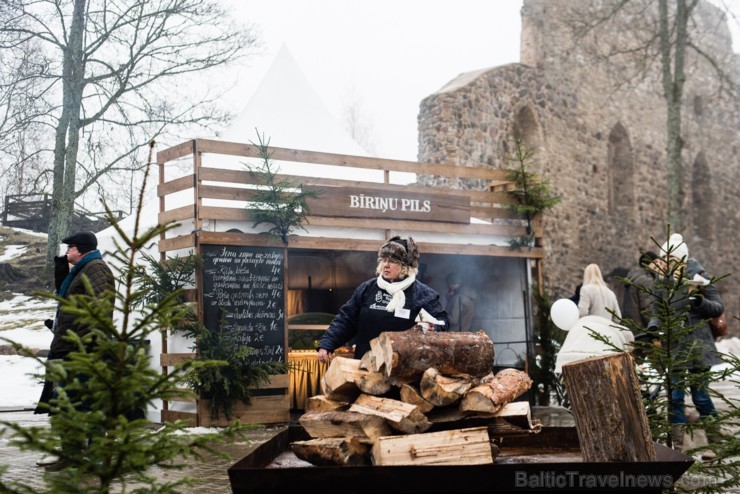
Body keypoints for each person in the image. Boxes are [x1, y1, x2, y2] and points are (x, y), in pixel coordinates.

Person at [34, 230, 115, 470]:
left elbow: (98, 311)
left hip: (83, 350)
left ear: (80, 249)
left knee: (87, 403)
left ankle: (95, 457)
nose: (66, 251)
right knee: (66, 403)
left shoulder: (97, 269)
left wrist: (82, 343)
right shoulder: (81, 270)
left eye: (69, 248)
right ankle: (71, 454)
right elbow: (68, 301)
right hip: (69, 348)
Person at [317, 236, 449, 363]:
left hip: (403, 366)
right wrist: (327, 344)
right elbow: (346, 319)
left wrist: (436, 327)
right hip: (366, 362)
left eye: (392, 261)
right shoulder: (367, 288)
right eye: (384, 260)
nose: (386, 265)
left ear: (406, 266)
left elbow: (442, 320)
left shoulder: (422, 293)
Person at [647, 233, 724, 451]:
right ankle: (676, 450)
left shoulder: (699, 277)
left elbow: (718, 307)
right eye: (664, 259)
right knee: (676, 398)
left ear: (681, 259)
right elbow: (656, 309)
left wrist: (698, 300)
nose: (666, 263)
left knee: (700, 397)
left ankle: (717, 448)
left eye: (670, 260)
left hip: (699, 346)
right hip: (677, 346)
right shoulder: (661, 281)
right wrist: (654, 329)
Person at [622, 251, 659, 330]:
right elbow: (647, 309)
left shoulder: (633, 278)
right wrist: (654, 331)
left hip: (629, 327)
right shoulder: (646, 280)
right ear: (654, 262)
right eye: (658, 262)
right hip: (642, 332)